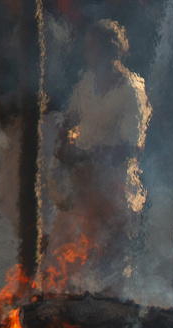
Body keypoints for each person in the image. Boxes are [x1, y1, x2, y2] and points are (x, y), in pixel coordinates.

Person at [48, 19, 151, 286]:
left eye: (92, 48)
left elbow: (132, 147)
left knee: (108, 263)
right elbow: (70, 117)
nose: (86, 54)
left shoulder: (130, 90)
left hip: (112, 186)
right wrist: (62, 143)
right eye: (87, 48)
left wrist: (85, 155)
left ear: (109, 51)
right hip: (82, 181)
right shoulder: (87, 82)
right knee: (67, 254)